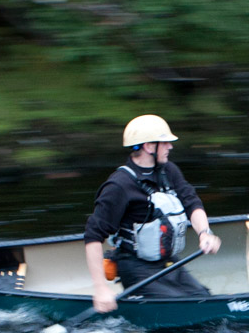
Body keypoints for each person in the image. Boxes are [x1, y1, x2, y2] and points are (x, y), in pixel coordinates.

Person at [84, 114, 222, 313]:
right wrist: (101, 289)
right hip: (135, 268)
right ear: (149, 146)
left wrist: (205, 233)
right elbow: (93, 236)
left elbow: (192, 203)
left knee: (204, 301)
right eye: (165, 143)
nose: (170, 147)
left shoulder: (169, 171)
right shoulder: (119, 186)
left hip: (168, 263)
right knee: (182, 310)